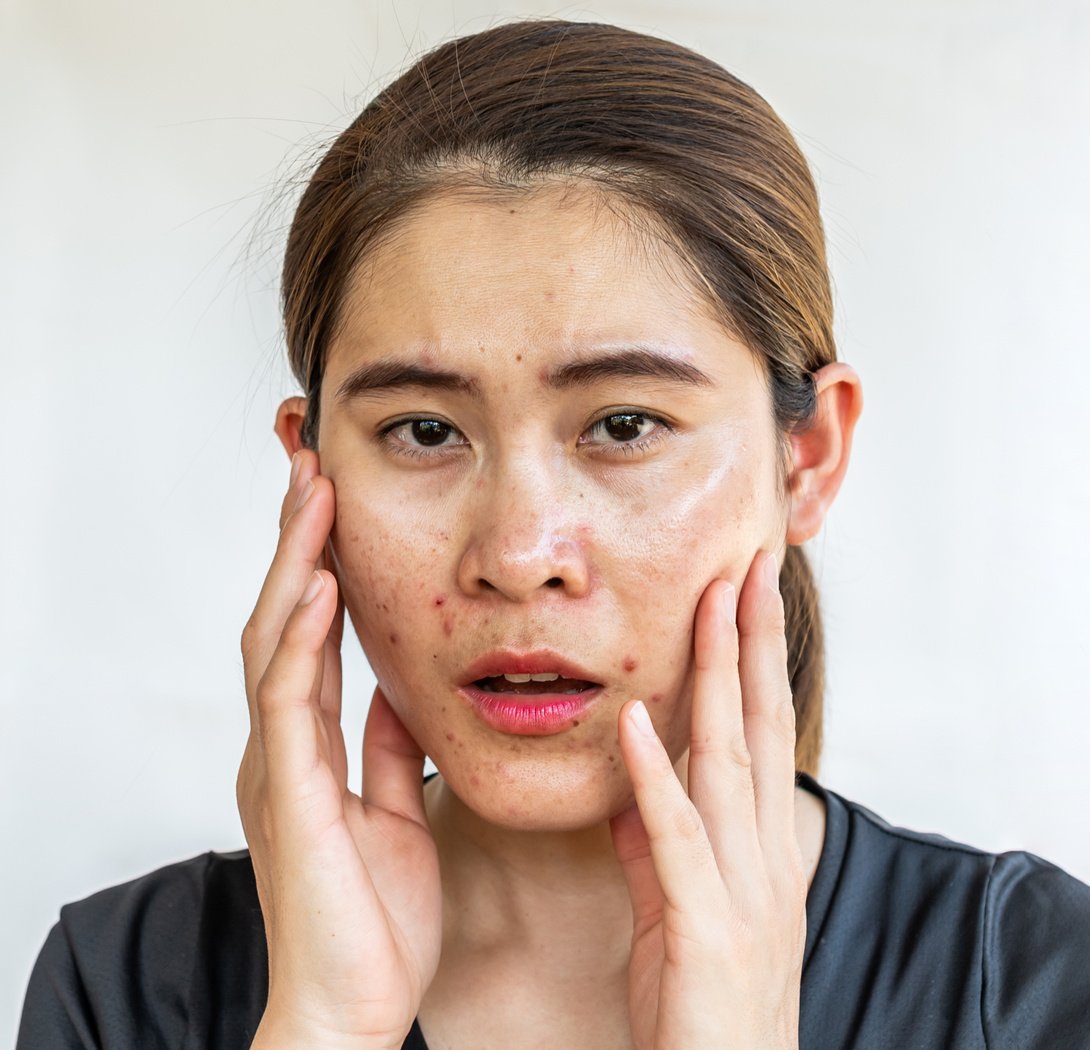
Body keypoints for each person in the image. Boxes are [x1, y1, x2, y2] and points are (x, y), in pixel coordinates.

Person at [16, 18, 1090, 1050]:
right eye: (424, 430)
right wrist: (324, 1030)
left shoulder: (1036, 984)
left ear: (804, 458)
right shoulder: (128, 984)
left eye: (626, 425)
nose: (521, 554)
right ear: (312, 473)